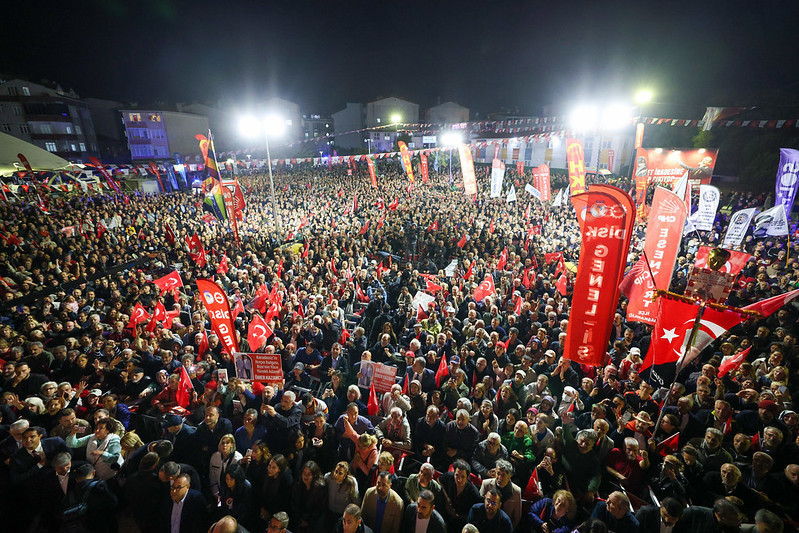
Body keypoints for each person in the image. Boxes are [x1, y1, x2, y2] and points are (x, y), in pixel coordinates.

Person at [478, 459, 522, 529]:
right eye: (498, 474)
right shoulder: (486, 485)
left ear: (509, 477)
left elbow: (516, 517)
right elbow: (479, 507)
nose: (499, 478)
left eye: (503, 475)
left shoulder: (516, 491)